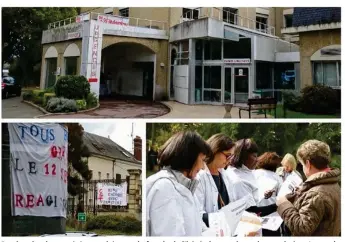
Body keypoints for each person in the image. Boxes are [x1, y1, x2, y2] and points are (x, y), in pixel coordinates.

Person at [146, 131, 212, 236]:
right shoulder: (165, 189)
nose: (203, 167)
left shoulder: (185, 185)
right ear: (190, 157)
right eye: (202, 160)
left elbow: (198, 226)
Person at [277, 140, 341, 236]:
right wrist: (302, 196)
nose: (302, 167)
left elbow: (302, 229)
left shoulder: (315, 193)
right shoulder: (332, 182)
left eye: (302, 165)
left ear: (308, 164)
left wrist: (284, 204)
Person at [194, 133, 237, 227]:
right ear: (215, 150)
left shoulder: (225, 175)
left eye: (232, 157)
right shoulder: (198, 177)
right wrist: (221, 218)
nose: (230, 160)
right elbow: (197, 215)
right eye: (227, 155)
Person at [226, 139, 277, 216]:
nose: (257, 160)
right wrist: (279, 205)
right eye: (254, 156)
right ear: (243, 156)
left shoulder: (244, 171)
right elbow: (253, 212)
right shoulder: (240, 181)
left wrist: (264, 195)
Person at [253, 152, 283, 236]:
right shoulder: (277, 177)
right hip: (273, 218)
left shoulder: (254, 174)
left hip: (256, 214)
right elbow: (281, 196)